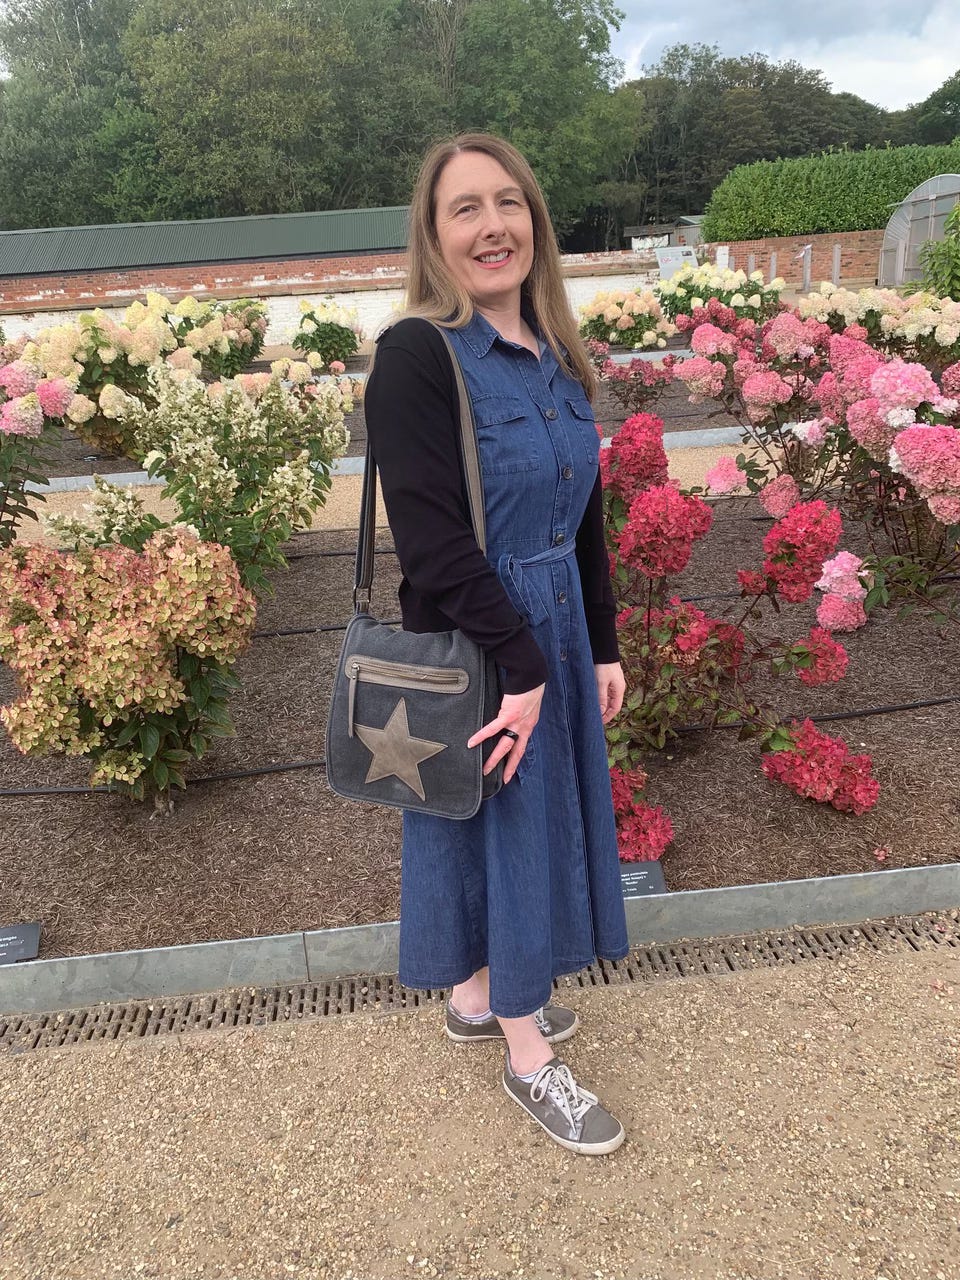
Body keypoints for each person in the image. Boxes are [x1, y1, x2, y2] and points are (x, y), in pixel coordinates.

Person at [363, 133, 629, 1156]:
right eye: (464, 208)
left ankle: (478, 994)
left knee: (501, 817)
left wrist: (598, 642)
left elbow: (587, 515)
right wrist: (520, 665)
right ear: (433, 236)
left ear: (535, 221)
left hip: (551, 618)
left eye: (507, 202)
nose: (492, 226)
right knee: (508, 827)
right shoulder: (418, 356)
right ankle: (529, 1055)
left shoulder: (561, 354)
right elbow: (428, 537)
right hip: (479, 632)